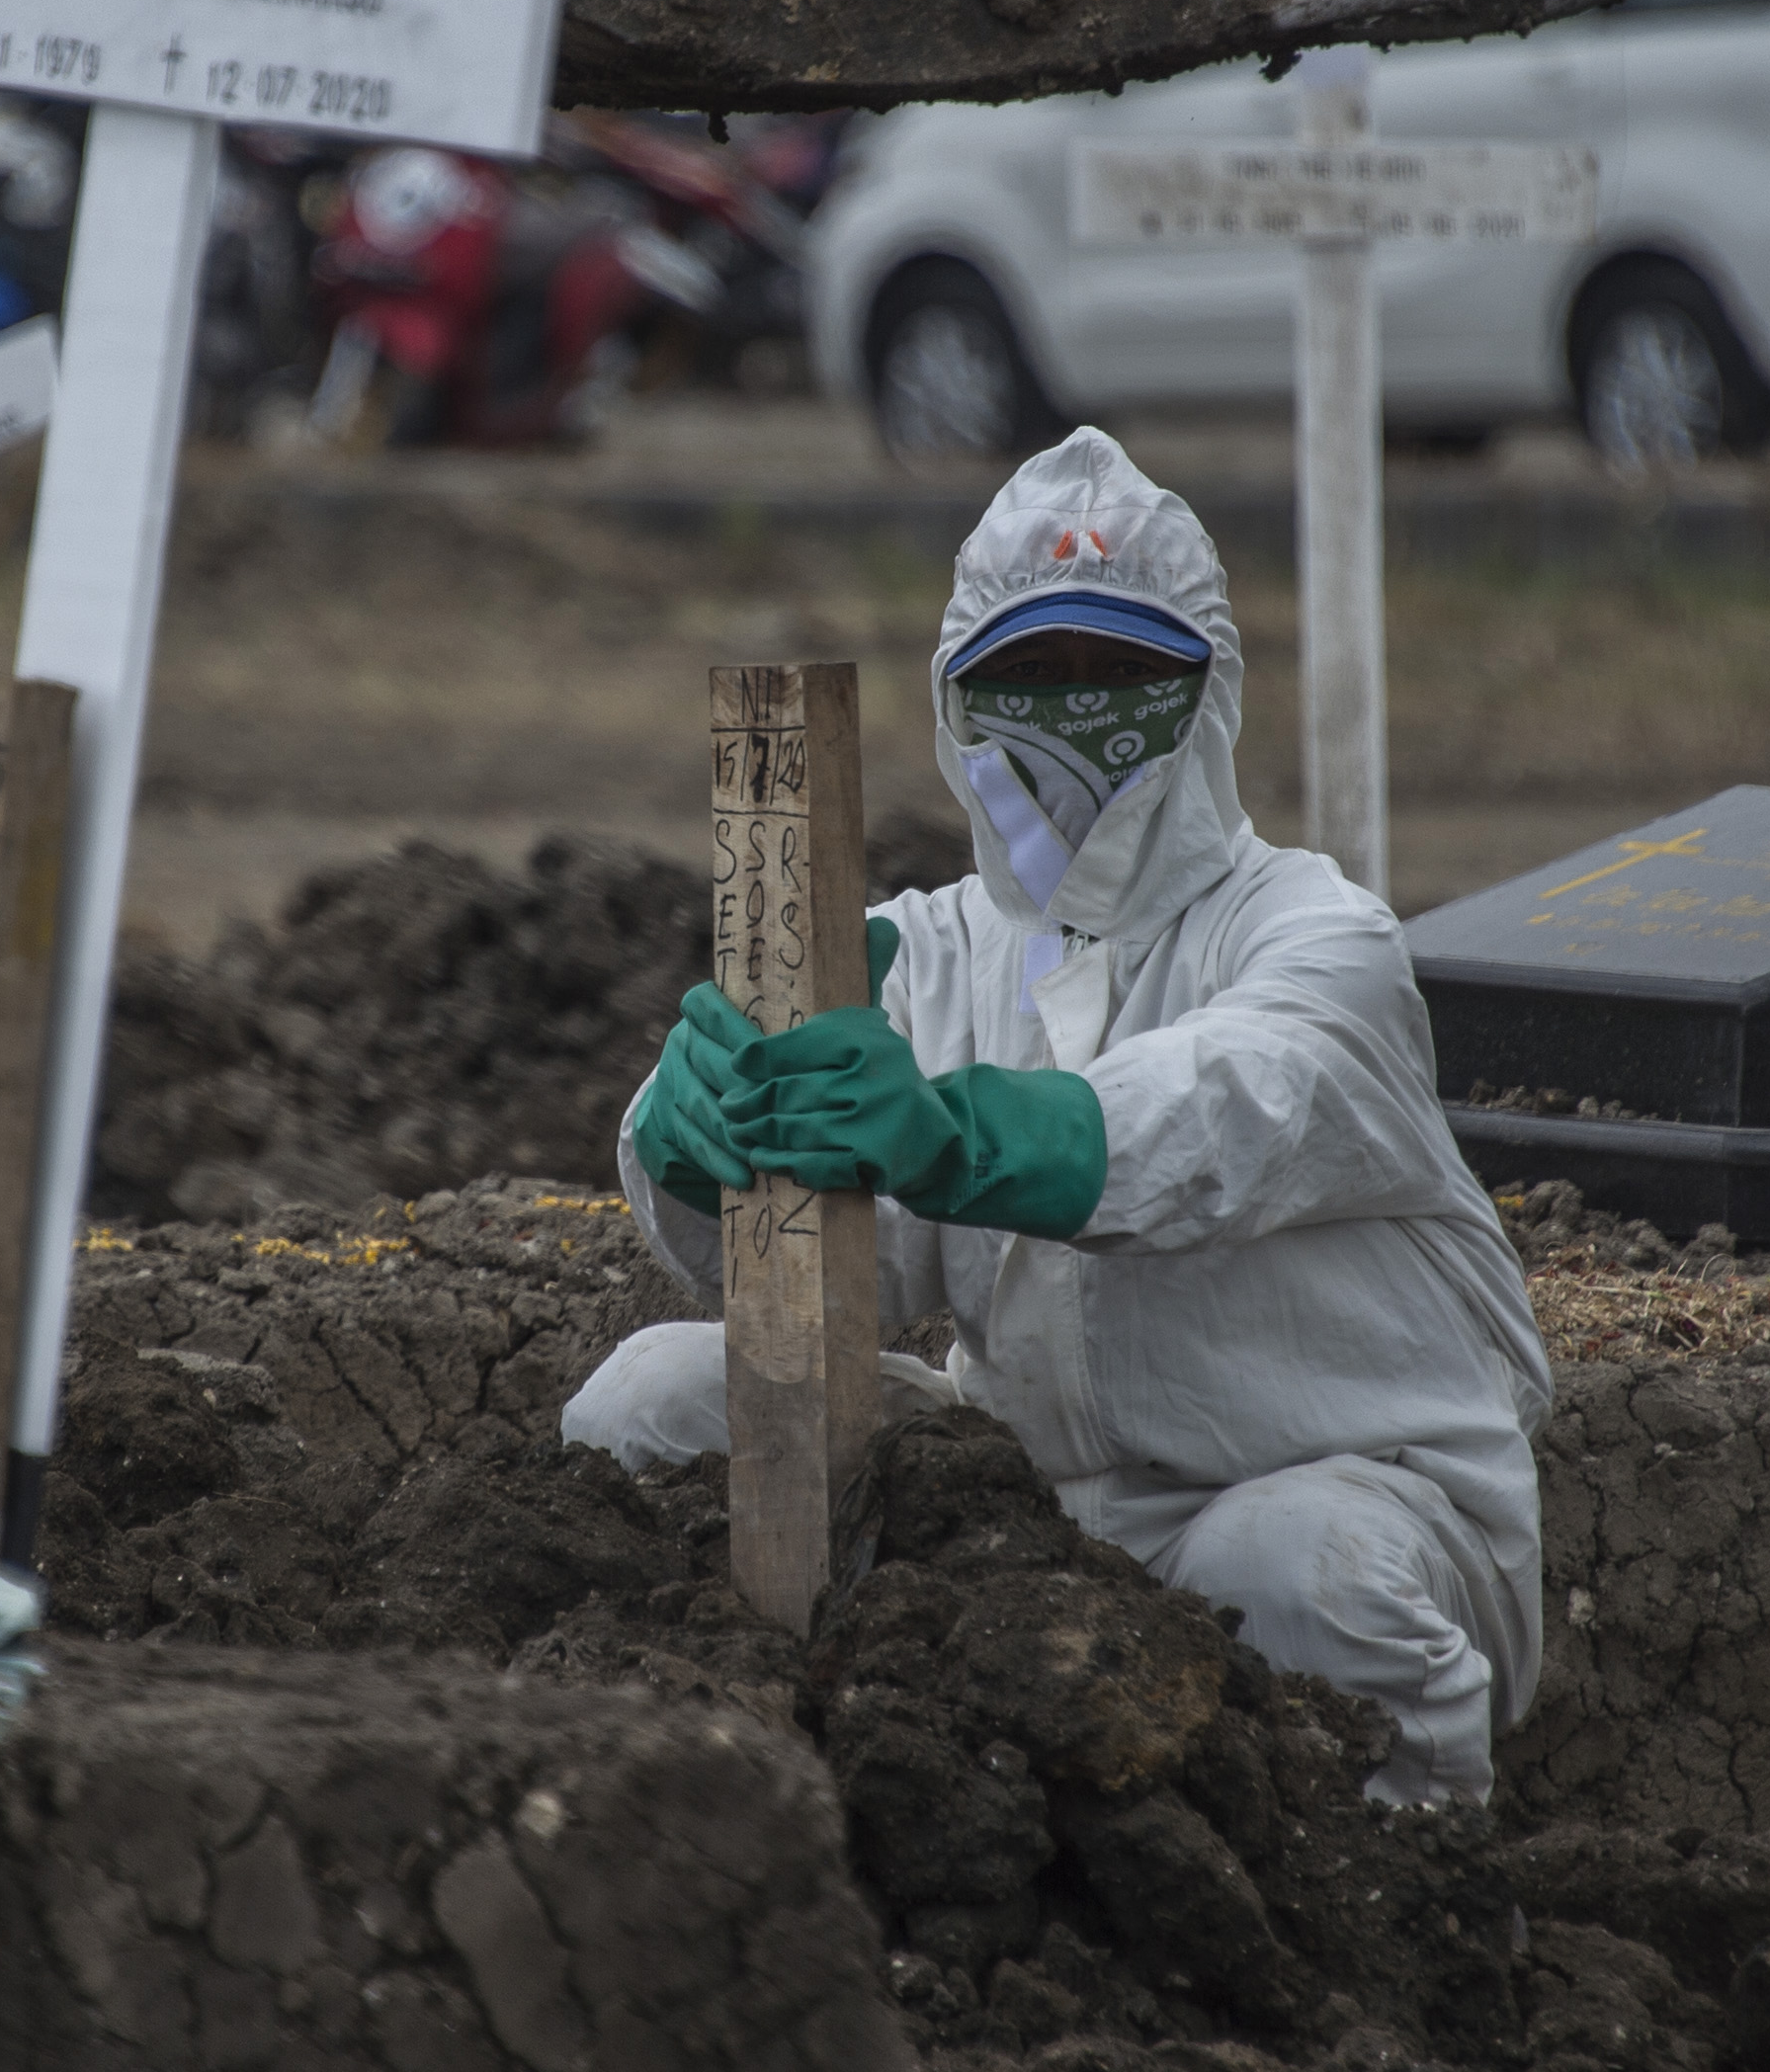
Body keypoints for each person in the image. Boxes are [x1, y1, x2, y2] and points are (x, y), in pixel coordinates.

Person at [568, 427, 1549, 1804]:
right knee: (651, 1403)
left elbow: (1227, 1112)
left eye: (1120, 673)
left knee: (1289, 1572)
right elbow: (865, 1265)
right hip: (1028, 1535)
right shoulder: (917, 957)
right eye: (1028, 677)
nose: (1072, 715)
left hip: (1353, 1492)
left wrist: (965, 1135)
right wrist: (696, 1143)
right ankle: (723, 1823)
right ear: (956, 701)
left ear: (1206, 692)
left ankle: (1407, 1906)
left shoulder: (1319, 940)